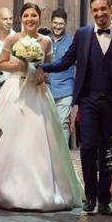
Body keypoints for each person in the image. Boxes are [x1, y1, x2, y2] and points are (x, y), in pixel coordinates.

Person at [39, 0, 112, 216]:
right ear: (91, 12)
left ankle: (104, 199)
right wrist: (42, 67)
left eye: (103, 9)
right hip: (88, 101)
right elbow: (66, 61)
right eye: (95, 10)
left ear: (110, 9)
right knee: (88, 147)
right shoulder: (83, 35)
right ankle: (90, 197)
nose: (100, 13)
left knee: (107, 150)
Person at [0, 2, 83, 211]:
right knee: (11, 139)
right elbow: (1, 63)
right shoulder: (13, 39)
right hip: (15, 90)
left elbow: (48, 65)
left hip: (37, 91)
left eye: (34, 16)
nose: (30, 19)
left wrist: (42, 73)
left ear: (39, 19)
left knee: (38, 138)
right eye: (26, 15)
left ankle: (44, 188)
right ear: (21, 18)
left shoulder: (46, 41)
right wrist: (20, 64)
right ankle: (5, 188)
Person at [47, 8, 75, 145]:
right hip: (46, 89)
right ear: (51, 23)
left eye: (61, 24)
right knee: (47, 124)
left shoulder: (72, 42)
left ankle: (63, 156)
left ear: (65, 24)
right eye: (55, 23)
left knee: (63, 122)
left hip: (65, 89)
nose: (58, 26)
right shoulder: (44, 41)